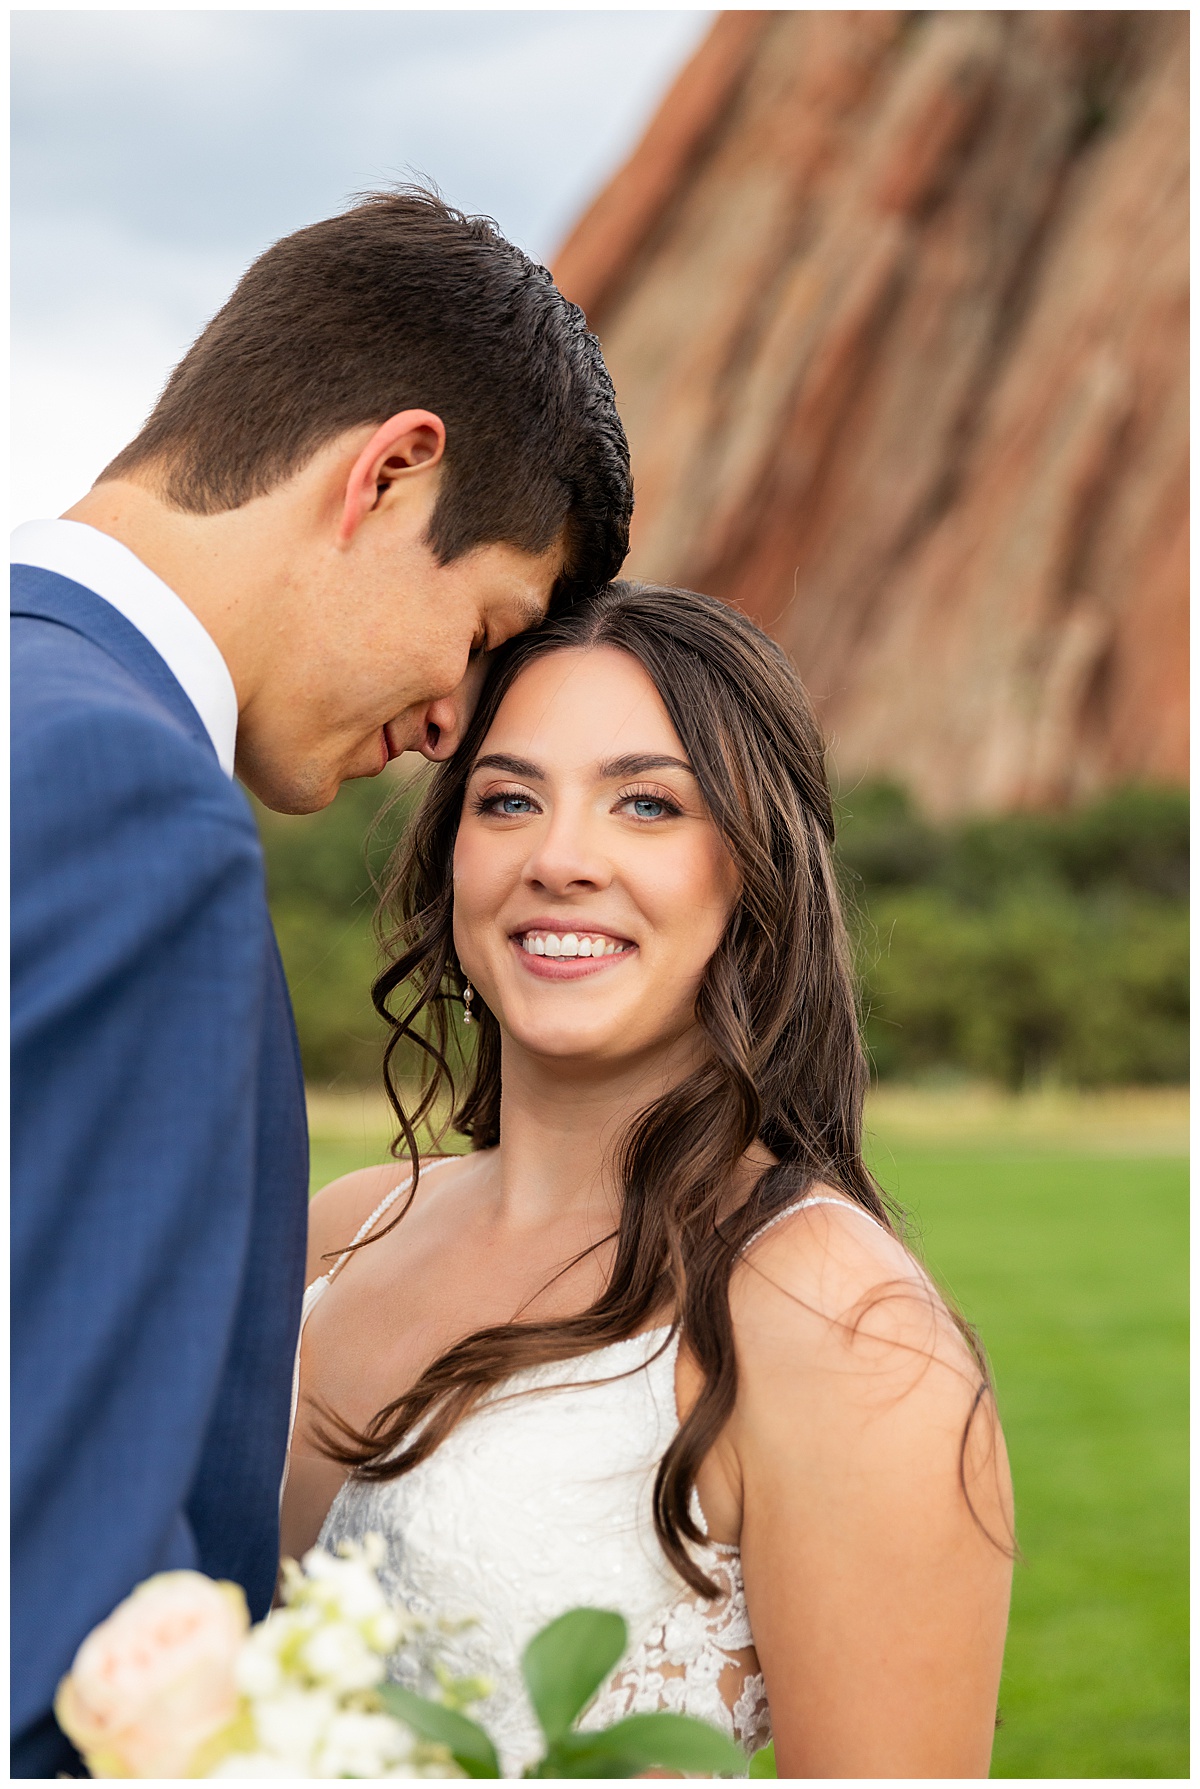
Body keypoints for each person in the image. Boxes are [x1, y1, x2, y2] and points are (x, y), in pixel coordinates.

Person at [11, 187, 631, 1777]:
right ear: (390, 468)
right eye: (484, 622)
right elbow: (48, 1577)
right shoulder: (130, 804)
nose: (451, 726)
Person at [285, 581, 1014, 1778]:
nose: (561, 859)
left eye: (647, 804)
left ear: (754, 870)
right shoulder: (340, 1231)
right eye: (508, 798)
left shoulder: (840, 1328)